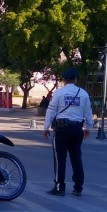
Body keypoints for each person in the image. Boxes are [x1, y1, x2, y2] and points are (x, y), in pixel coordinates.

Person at [43, 67, 94, 196]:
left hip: (62, 129)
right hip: (77, 129)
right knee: (77, 159)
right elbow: (88, 112)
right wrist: (88, 128)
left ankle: (60, 187)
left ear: (64, 80)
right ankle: (78, 187)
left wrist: (46, 127)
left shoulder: (59, 93)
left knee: (60, 159)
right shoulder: (83, 93)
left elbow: (51, 111)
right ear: (75, 80)